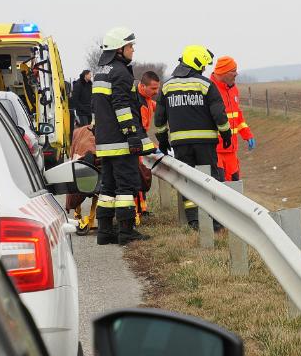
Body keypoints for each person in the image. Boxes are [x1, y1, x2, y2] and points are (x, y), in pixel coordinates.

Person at [154, 45, 231, 230]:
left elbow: (159, 118)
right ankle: (215, 220)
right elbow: (219, 114)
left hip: (181, 145)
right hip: (205, 144)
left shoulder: (167, 86)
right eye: (203, 65)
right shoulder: (206, 84)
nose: (204, 69)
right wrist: (226, 133)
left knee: (187, 181)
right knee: (210, 180)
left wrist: (163, 140)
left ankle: (193, 219)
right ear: (196, 63)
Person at [92, 26, 156, 245]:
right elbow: (121, 107)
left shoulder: (101, 72)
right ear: (120, 49)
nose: (132, 50)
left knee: (108, 186)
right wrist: (132, 135)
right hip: (121, 141)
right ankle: (126, 232)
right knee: (126, 186)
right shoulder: (120, 73)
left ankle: (105, 232)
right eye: (130, 46)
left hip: (105, 141)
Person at [211, 56, 255, 181]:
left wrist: (247, 135)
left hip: (231, 150)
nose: (236, 74)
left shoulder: (234, 89)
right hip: (215, 150)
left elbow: (237, 115)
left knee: (234, 188)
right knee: (218, 188)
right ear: (223, 72)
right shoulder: (209, 89)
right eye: (233, 70)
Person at [135, 71, 161, 218]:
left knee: (141, 174)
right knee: (138, 176)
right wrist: (155, 148)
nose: (156, 92)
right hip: (136, 142)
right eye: (153, 89)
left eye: (157, 88)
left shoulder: (148, 99)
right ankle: (138, 211)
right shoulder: (138, 102)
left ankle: (142, 209)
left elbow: (156, 106)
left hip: (140, 141)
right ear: (143, 86)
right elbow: (140, 132)